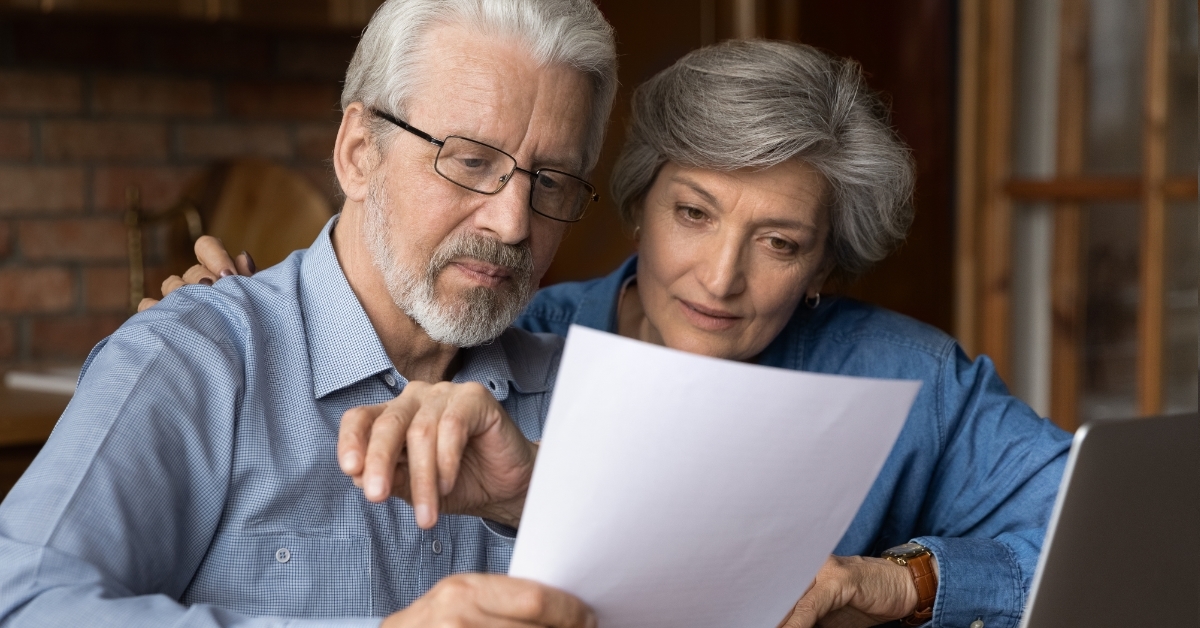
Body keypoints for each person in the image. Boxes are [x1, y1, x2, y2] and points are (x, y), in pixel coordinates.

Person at [172, 40, 1072, 628]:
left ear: (824, 265)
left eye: (779, 243)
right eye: (694, 214)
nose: (721, 278)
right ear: (638, 204)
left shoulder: (910, 378)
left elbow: (1112, 536)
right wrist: (247, 320)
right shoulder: (510, 334)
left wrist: (900, 584)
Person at [0, 1, 617, 626]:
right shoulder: (197, 360)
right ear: (357, 153)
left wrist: (541, 495)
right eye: (471, 161)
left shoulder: (587, 396)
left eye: (550, 181)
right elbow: (23, 606)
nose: (512, 223)